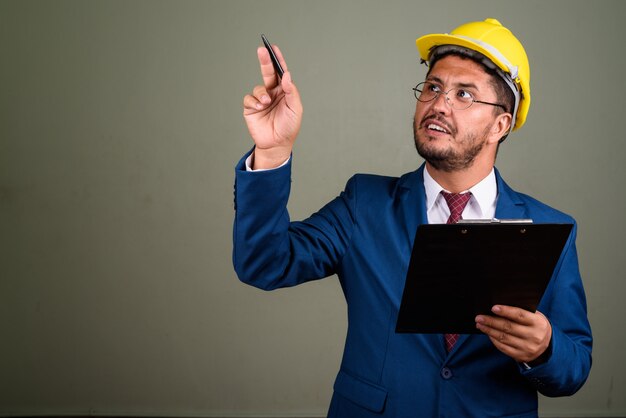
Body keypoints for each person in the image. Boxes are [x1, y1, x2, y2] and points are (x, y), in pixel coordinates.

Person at [234, 18, 592, 417]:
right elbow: (264, 263)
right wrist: (272, 151)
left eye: (465, 95)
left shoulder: (548, 230)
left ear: (500, 124)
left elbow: (575, 367)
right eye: (434, 87)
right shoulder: (363, 205)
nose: (439, 103)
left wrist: (544, 348)